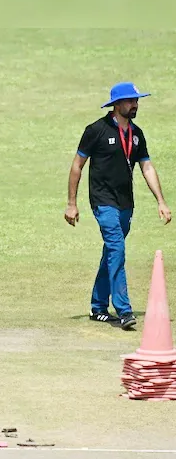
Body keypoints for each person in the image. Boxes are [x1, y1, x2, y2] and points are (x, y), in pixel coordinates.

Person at [65, 81, 171, 330]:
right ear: (116, 104)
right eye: (130, 101)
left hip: (126, 203)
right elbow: (77, 166)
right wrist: (72, 203)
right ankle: (124, 311)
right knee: (117, 248)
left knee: (112, 252)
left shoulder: (137, 134)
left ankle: (98, 306)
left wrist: (161, 201)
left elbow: (146, 166)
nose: (135, 105)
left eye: (137, 101)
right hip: (103, 201)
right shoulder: (96, 130)